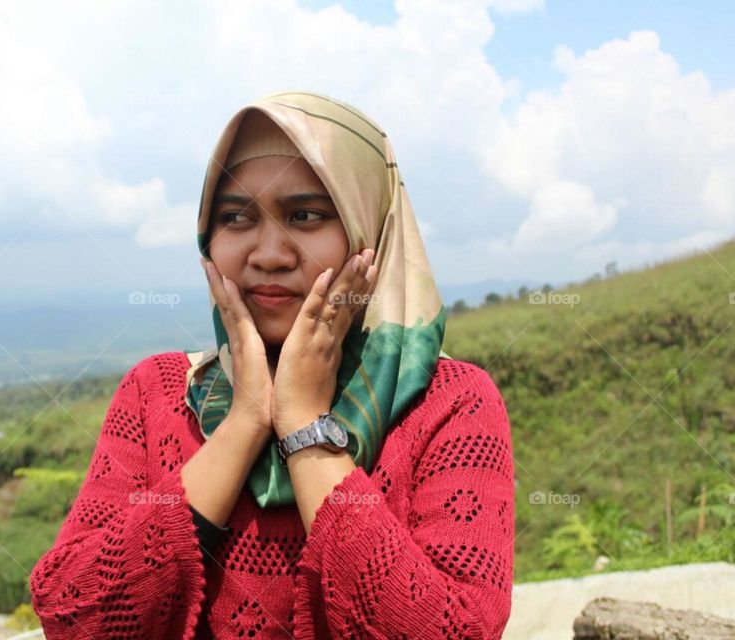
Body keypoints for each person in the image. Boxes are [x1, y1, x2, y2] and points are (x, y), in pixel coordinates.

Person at [30, 91, 515, 639]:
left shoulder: (449, 403)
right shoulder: (158, 393)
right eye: (236, 217)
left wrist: (305, 425)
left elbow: (455, 632)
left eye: (305, 215)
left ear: (371, 231)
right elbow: (77, 620)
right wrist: (243, 424)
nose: (268, 254)